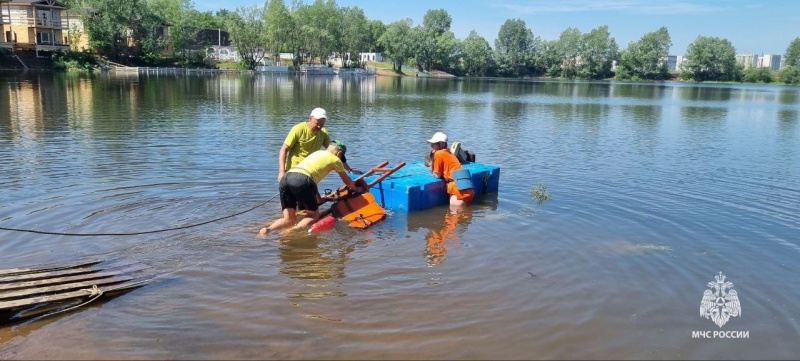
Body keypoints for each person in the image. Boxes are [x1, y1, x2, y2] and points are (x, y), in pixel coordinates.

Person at [259, 140, 364, 236]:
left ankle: (268, 230)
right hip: (303, 180)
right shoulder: (336, 160)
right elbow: (347, 181)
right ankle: (289, 232)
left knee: (289, 218)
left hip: (287, 177)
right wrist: (357, 189)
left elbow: (311, 182)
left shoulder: (317, 153)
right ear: (340, 153)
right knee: (313, 216)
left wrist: (319, 199)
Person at [278, 107, 361, 183]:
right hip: (294, 170)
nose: (319, 126)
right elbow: (284, 149)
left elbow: (335, 153)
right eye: (317, 123)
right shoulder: (298, 129)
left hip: (310, 172)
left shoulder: (323, 133)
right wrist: (282, 171)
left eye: (322, 123)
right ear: (310, 118)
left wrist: (349, 169)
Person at [427, 131, 475, 206]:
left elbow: (437, 175)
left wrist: (431, 169)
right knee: (465, 214)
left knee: (453, 215)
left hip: (457, 190)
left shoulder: (438, 153)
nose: (431, 146)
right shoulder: (449, 153)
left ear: (440, 144)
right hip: (468, 188)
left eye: (433, 144)